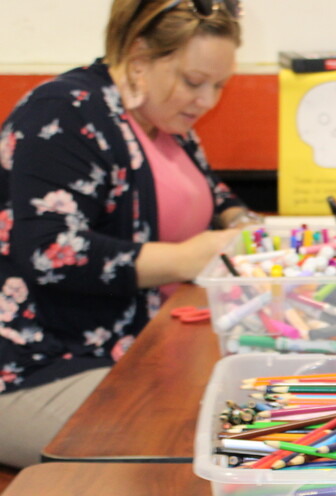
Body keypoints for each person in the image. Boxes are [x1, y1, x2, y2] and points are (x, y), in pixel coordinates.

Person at [0, 0, 257, 468]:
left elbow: (213, 194)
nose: (207, 101)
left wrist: (241, 223)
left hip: (135, 350)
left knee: (243, 414)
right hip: (38, 366)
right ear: (139, 58)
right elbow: (49, 250)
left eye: (220, 86)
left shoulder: (166, 121)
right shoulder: (64, 112)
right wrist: (185, 258)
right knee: (192, 444)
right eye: (193, 81)